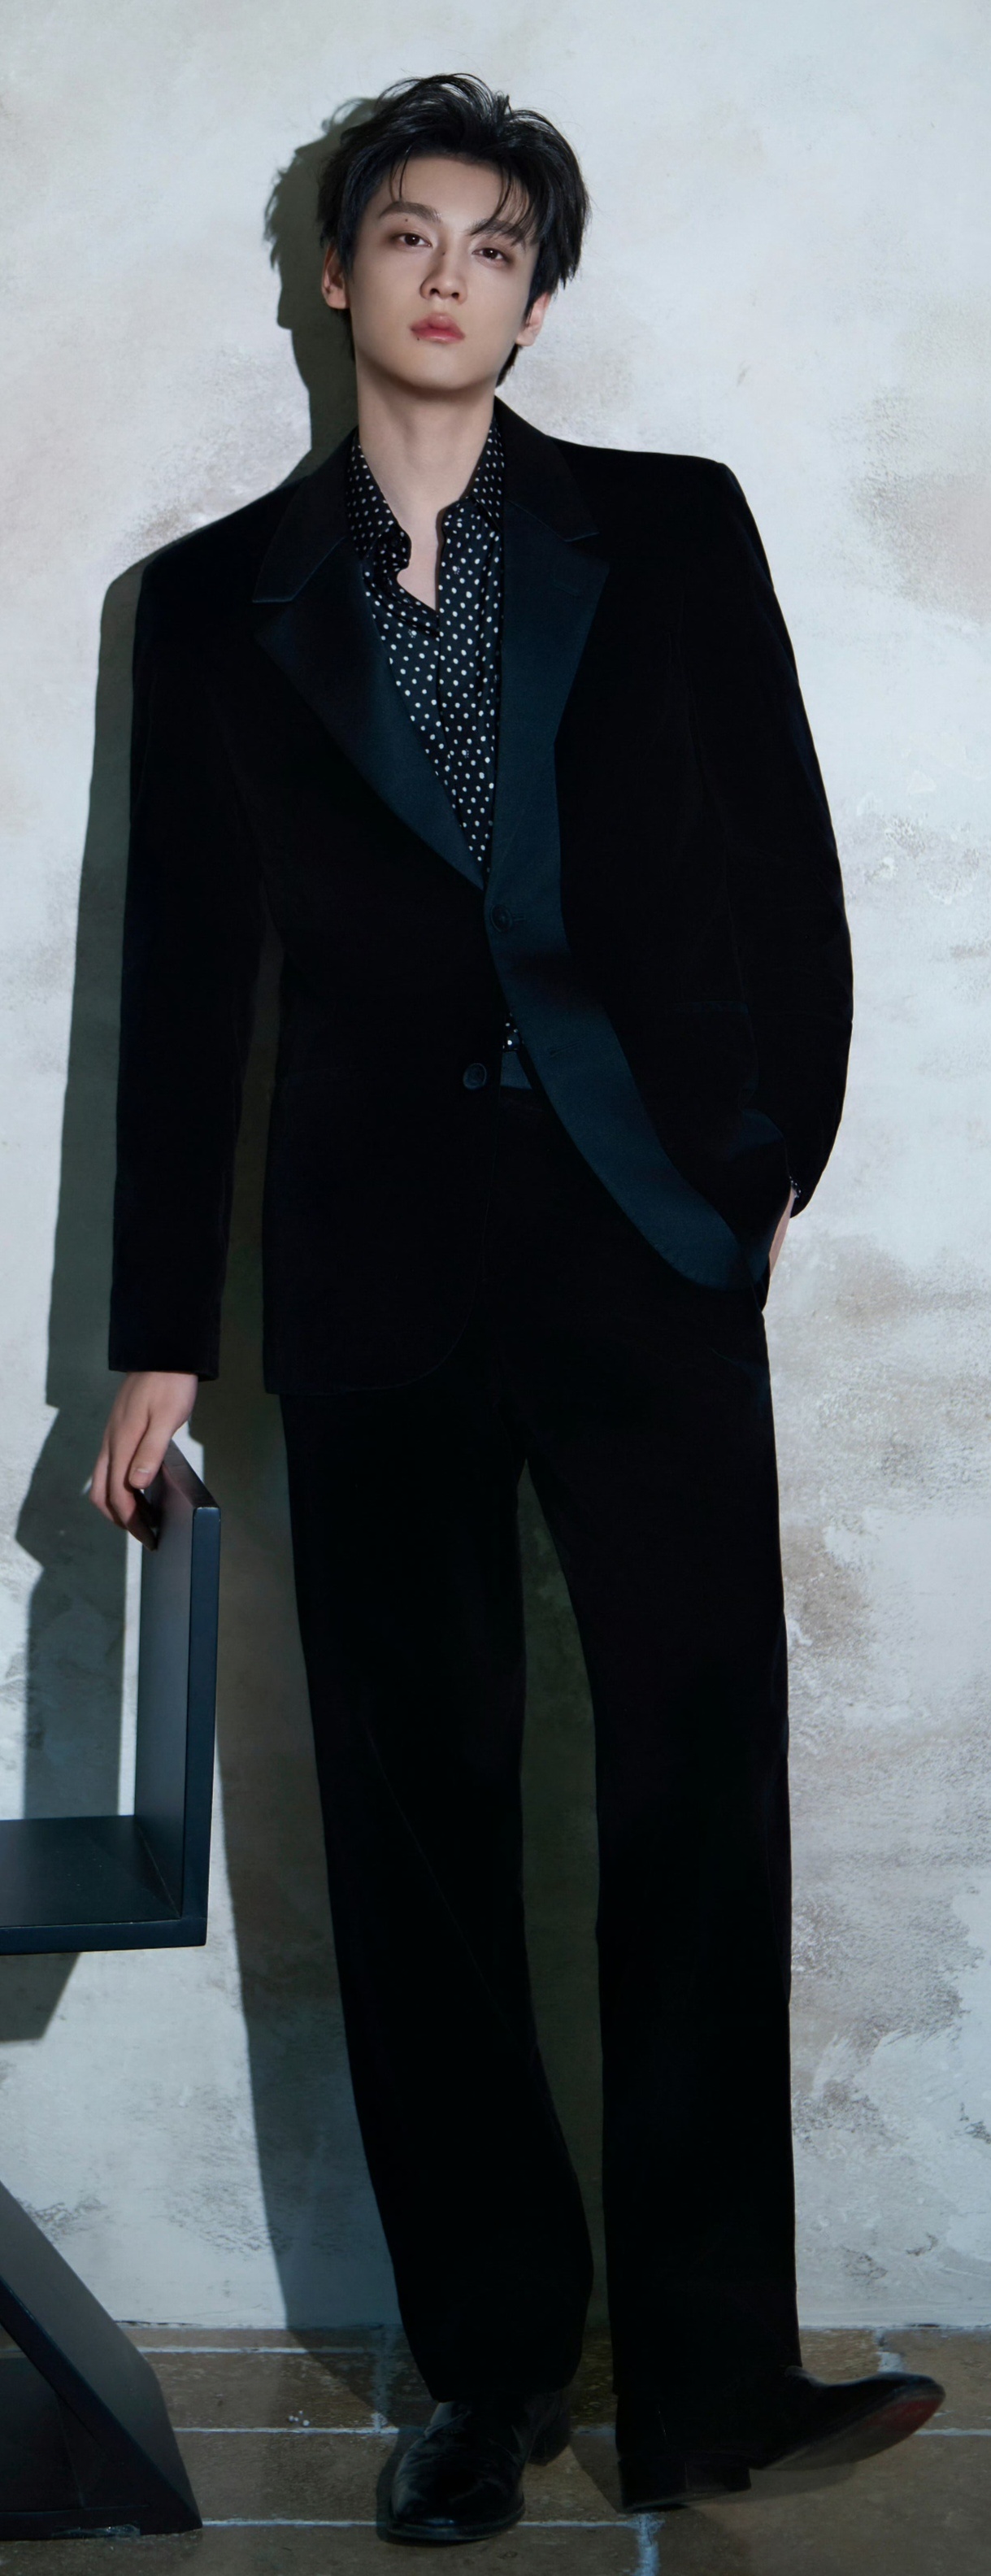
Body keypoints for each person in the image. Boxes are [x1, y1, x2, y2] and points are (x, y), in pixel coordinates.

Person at [89, 72, 942, 2548]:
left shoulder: (666, 533)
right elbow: (188, 987)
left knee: (692, 1795)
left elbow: (782, 863)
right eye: (406, 232)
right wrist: (158, 1331)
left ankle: (710, 2379)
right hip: (367, 1273)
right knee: (418, 1817)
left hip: (641, 1240)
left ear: (537, 297)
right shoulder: (214, 605)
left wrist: (753, 1169)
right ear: (335, 276)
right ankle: (484, 2376)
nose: (448, 272)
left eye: (493, 242)